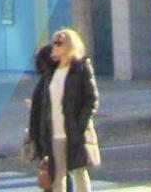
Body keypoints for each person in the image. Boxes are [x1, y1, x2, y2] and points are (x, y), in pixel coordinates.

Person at [29, 27, 100, 192]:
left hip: (74, 132)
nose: (55, 46)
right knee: (57, 178)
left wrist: (79, 124)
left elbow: (92, 99)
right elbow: (45, 99)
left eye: (59, 42)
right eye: (54, 42)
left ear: (70, 44)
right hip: (54, 134)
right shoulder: (52, 71)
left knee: (79, 174)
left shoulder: (81, 68)